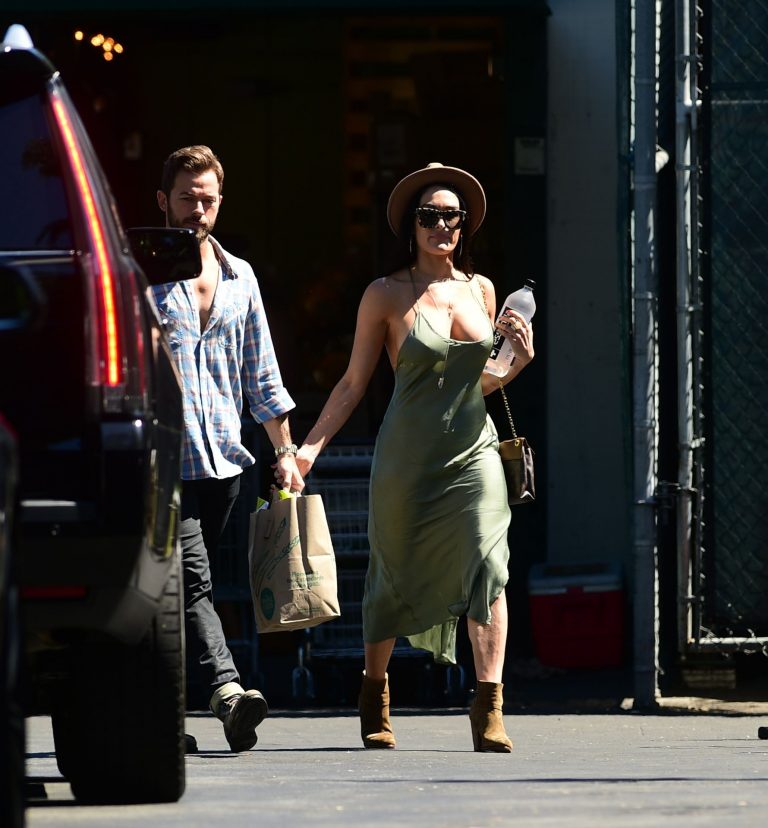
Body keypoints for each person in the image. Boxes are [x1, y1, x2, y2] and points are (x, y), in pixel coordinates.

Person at [294, 162, 534, 752]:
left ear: (464, 225)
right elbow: (353, 384)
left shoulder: (481, 290)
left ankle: (488, 708)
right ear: (411, 225)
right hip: (406, 458)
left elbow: (474, 382)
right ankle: (374, 691)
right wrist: (307, 450)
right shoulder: (384, 294)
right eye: (430, 216)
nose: (442, 225)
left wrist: (514, 366)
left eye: (453, 216)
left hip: (473, 454)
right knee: (390, 577)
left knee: (489, 565)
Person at [151, 145, 304, 752]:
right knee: (193, 584)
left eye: (207, 198)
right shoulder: (139, 275)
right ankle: (227, 692)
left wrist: (285, 452)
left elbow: (261, 375)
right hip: (162, 462)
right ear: (163, 201)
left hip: (223, 463)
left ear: (220, 202)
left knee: (174, 590)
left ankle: (157, 715)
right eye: (186, 197)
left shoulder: (240, 278)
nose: (197, 208)